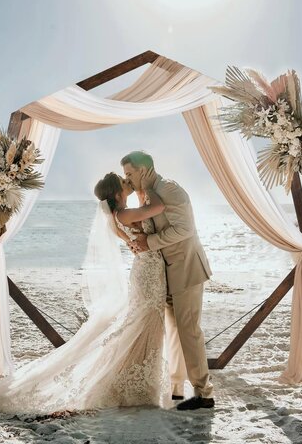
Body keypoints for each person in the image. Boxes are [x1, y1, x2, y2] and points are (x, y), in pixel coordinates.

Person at [0, 172, 172, 415]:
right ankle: (136, 386)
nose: (126, 182)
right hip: (148, 272)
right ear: (118, 194)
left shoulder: (117, 217)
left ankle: (137, 382)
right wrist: (146, 185)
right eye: (123, 183)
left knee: (143, 324)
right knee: (145, 322)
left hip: (147, 270)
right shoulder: (124, 214)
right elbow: (160, 206)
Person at [121, 151, 214, 411]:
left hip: (187, 269)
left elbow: (185, 230)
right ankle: (176, 387)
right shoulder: (151, 194)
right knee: (174, 331)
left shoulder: (170, 189)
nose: (127, 179)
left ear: (144, 170)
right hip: (167, 273)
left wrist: (148, 243)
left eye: (129, 173)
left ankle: (204, 393)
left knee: (189, 331)